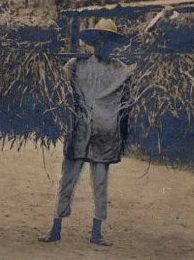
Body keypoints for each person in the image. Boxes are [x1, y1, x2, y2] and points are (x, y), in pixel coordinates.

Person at [39, 18, 131, 247]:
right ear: (93, 42)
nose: (104, 45)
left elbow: (130, 95)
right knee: (67, 180)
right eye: (100, 40)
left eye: (108, 41)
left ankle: (96, 232)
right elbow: (57, 82)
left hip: (104, 133)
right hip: (79, 129)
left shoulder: (121, 70)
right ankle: (56, 228)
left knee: (100, 183)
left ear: (113, 44)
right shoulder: (76, 65)